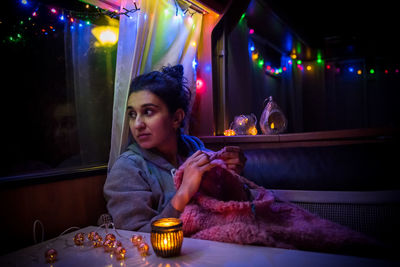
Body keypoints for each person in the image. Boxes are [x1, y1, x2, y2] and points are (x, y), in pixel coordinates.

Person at [104, 64, 246, 232]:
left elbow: (232, 206)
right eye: (132, 114)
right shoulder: (128, 169)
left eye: (148, 112)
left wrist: (233, 175)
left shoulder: (194, 149)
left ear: (176, 118)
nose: (137, 124)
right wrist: (184, 192)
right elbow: (134, 238)